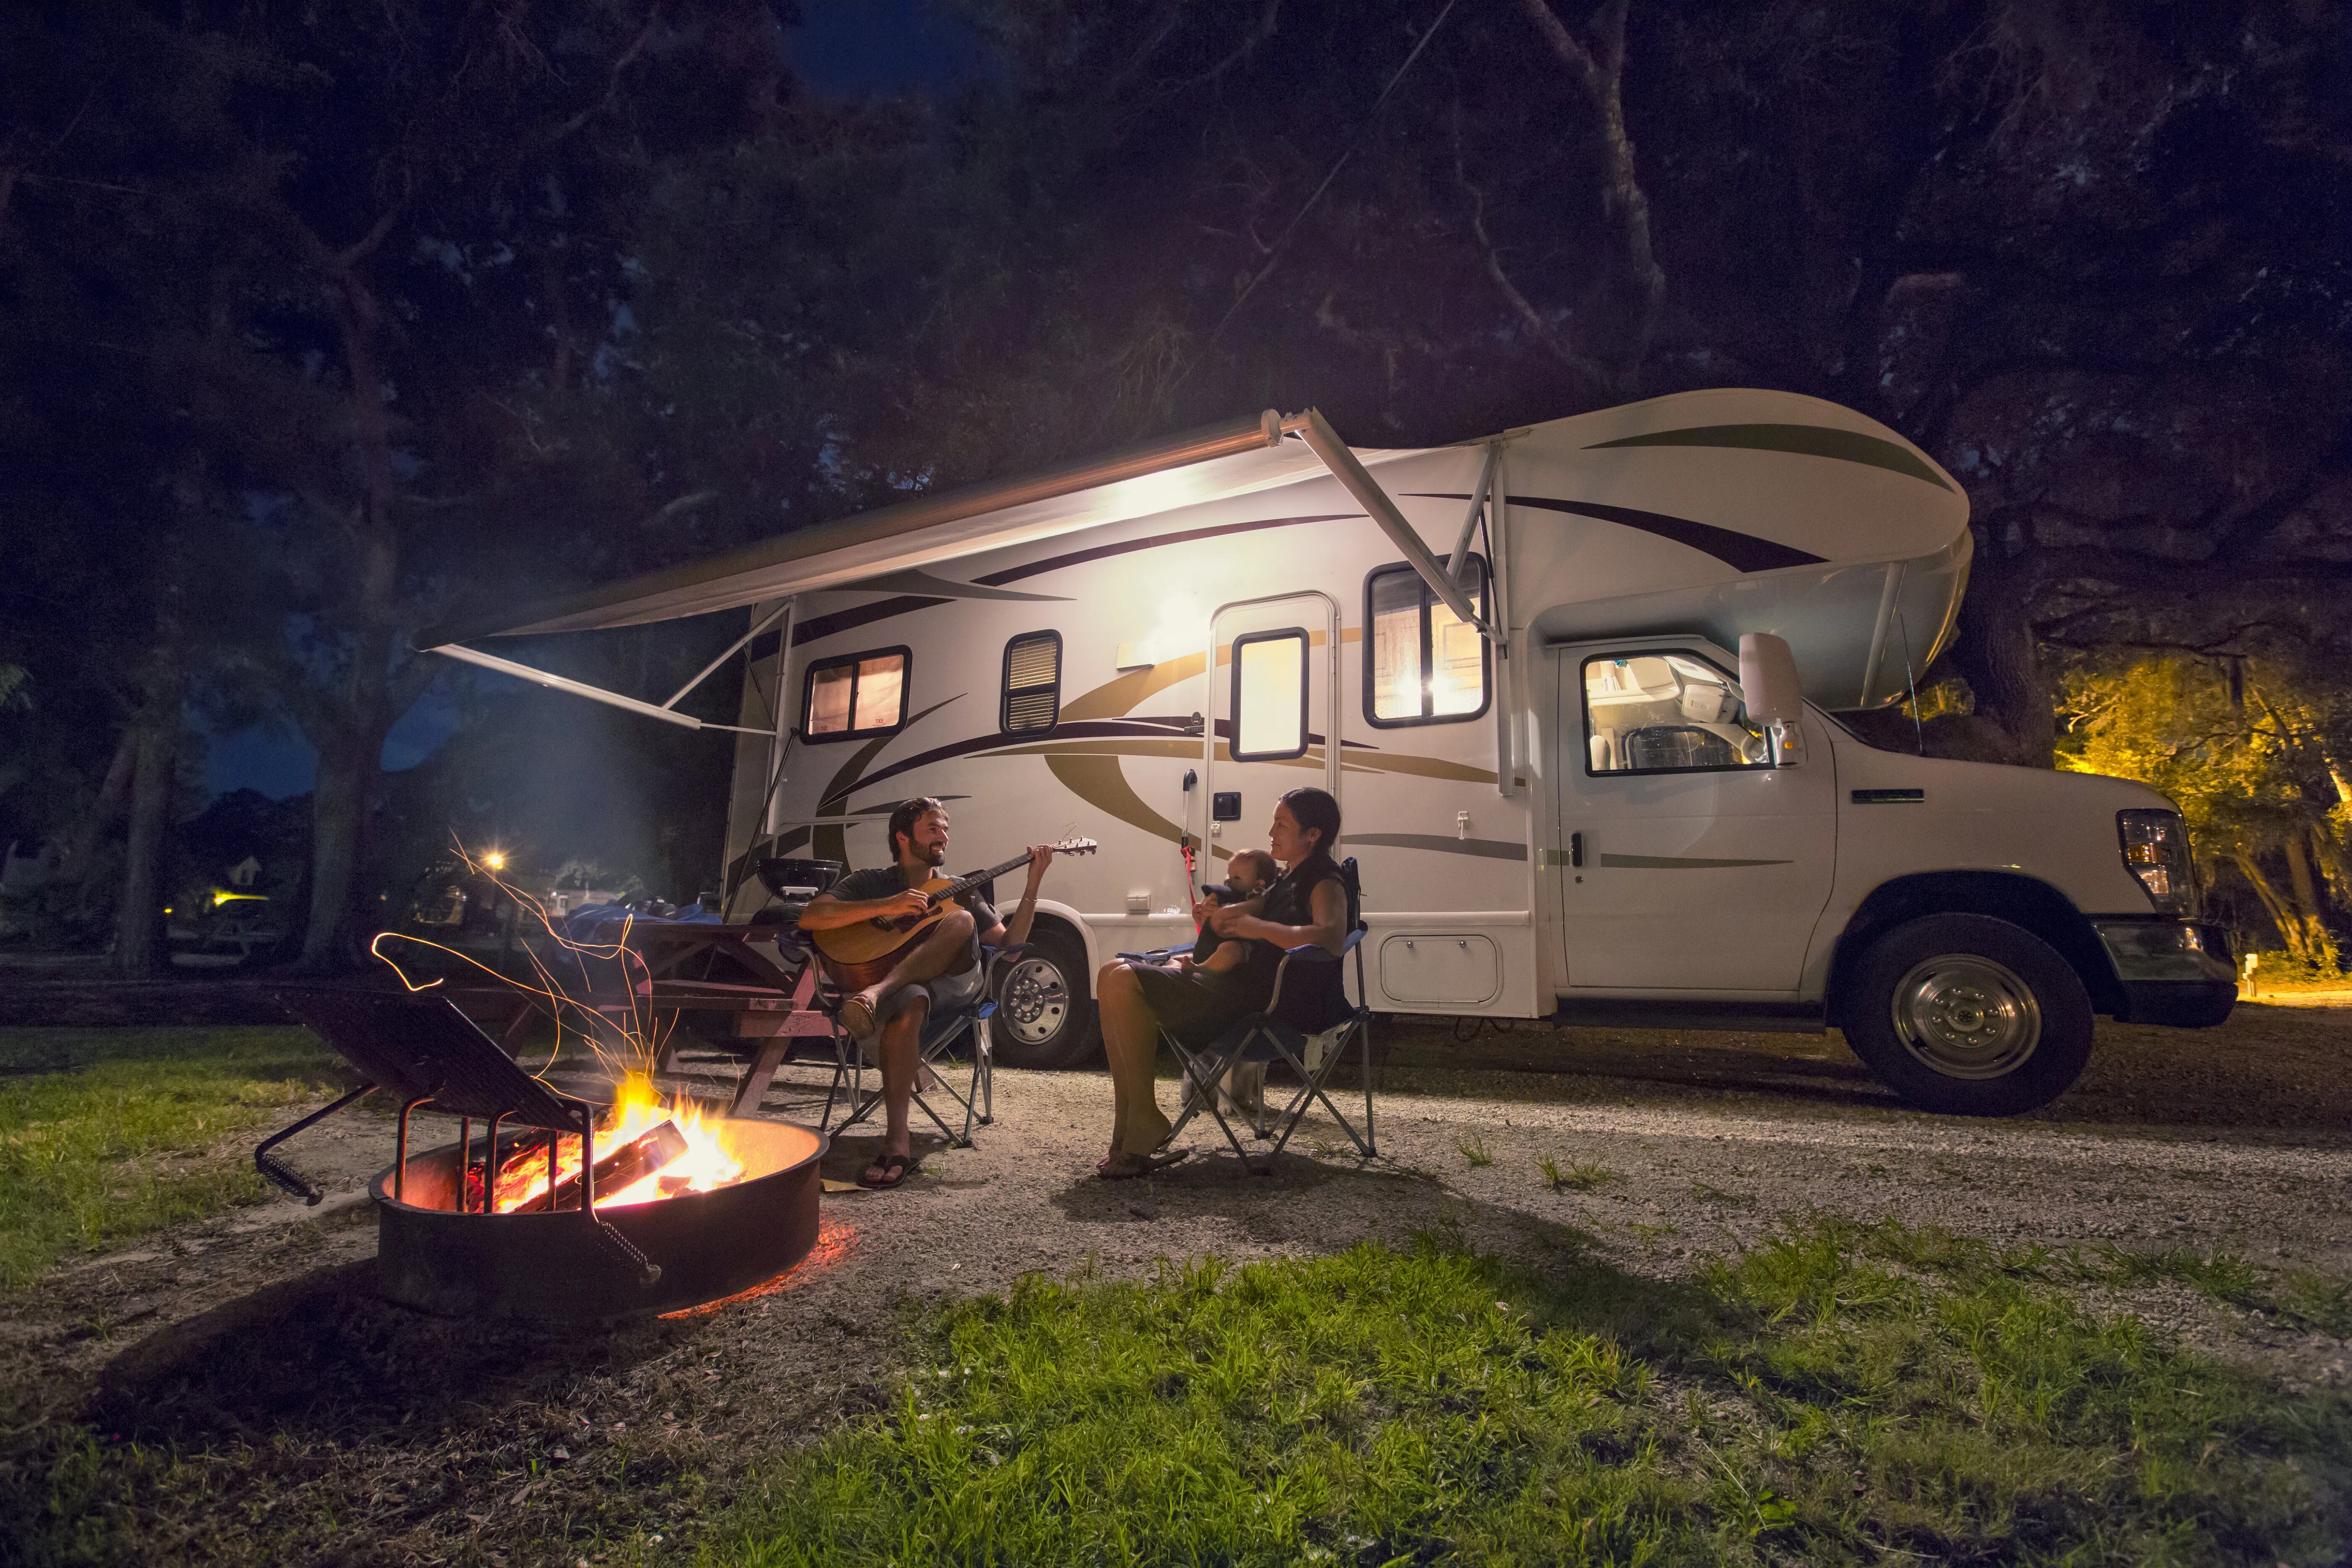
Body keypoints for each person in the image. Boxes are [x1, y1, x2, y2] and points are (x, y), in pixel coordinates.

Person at [796, 798, 1055, 1188]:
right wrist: (889, 904)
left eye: (945, 829)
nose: (943, 836)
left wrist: (1034, 881)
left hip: (955, 984)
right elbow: (811, 917)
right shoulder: (872, 882)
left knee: (961, 919)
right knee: (912, 997)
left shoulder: (957, 888)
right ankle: (897, 1141)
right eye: (933, 828)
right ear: (903, 837)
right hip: (909, 988)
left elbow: (1012, 944)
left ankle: (874, 995)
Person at [1092, 787, 1348, 1179]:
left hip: (1259, 1006)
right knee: (1110, 973)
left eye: (1282, 824)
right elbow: (1253, 911)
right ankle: (1129, 1119)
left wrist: (1256, 927)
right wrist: (1224, 913)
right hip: (1234, 992)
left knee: (1124, 981)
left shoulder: (1325, 879)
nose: (1271, 832)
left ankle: (1143, 1120)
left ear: (1312, 834)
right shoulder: (1288, 878)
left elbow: (1330, 936)